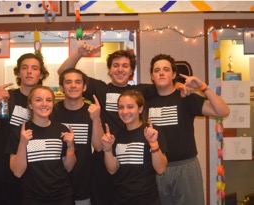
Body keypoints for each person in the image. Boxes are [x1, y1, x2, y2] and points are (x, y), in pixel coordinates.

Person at [58, 44, 192, 205]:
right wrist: (79, 53)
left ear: (131, 72)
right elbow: (63, 72)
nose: (120, 69)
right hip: (104, 158)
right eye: (115, 65)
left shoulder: (140, 91)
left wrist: (179, 85)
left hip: (131, 163)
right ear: (109, 70)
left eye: (125, 66)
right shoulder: (100, 89)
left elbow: (165, 85)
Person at [147, 54, 230, 205]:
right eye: (156, 70)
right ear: (152, 76)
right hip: (155, 169)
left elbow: (223, 111)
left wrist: (203, 87)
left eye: (166, 69)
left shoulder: (186, 97)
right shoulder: (145, 101)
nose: (161, 73)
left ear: (173, 75)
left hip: (186, 168)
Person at [0, 53, 49, 205]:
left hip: (34, 177)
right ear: (18, 73)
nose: (29, 72)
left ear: (41, 74)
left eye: (34, 68)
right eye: (24, 68)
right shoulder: (5, 99)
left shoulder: (46, 103)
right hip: (1, 175)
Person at [7, 85, 76, 205]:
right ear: (30, 105)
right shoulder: (19, 132)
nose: (44, 104)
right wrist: (23, 144)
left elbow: (68, 167)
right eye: (38, 100)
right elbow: (17, 172)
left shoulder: (62, 129)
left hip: (62, 196)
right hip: (32, 198)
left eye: (49, 100)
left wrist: (71, 147)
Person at [101, 89, 167, 205]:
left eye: (130, 106)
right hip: (120, 199)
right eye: (121, 107)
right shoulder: (116, 135)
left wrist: (153, 144)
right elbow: (112, 170)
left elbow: (160, 169)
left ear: (140, 109)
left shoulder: (152, 132)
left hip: (147, 199)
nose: (125, 111)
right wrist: (107, 150)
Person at [50, 68, 104, 205]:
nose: (73, 85)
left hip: (83, 181)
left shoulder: (92, 112)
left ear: (84, 87)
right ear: (62, 87)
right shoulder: (52, 111)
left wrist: (96, 119)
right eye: (68, 82)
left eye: (78, 82)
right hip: (56, 183)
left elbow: (98, 146)